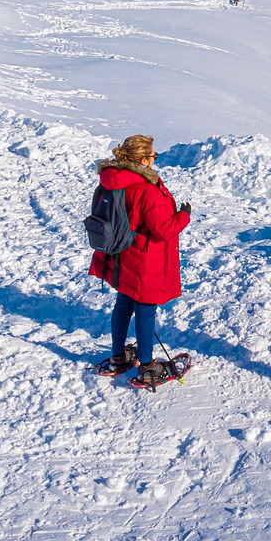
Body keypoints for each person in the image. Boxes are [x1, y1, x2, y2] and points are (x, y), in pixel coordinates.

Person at [90, 135, 191, 389]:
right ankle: (147, 368)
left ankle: (118, 357)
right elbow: (163, 230)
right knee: (145, 310)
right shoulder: (145, 189)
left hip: (121, 255)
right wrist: (184, 216)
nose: (155, 160)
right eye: (153, 156)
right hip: (145, 260)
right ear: (143, 159)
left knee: (124, 303)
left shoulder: (112, 181)